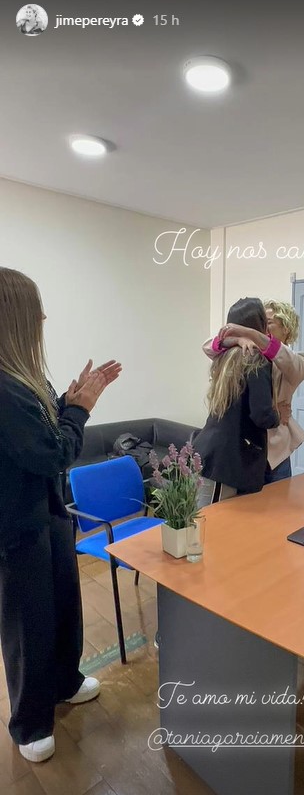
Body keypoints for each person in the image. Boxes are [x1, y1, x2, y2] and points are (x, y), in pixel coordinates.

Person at [0, 267, 121, 763]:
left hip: (49, 514)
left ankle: (65, 681)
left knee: (64, 604)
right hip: (17, 527)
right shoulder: (5, 388)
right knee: (29, 623)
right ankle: (29, 723)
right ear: (16, 318)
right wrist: (80, 410)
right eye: (37, 311)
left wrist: (66, 401)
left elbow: (43, 429)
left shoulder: (25, 379)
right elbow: (51, 453)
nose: (44, 319)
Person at [203, 299, 304, 483]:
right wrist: (238, 338)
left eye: (269, 323)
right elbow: (208, 346)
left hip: (275, 451)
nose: (264, 328)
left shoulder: (298, 360)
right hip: (244, 447)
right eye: (262, 322)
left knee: (278, 499)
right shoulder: (246, 352)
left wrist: (250, 333)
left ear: (286, 328)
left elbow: (285, 359)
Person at [194, 297, 280, 506]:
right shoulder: (256, 359)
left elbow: (211, 346)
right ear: (259, 324)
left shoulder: (224, 357)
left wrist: (234, 339)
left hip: (210, 451)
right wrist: (278, 416)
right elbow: (262, 415)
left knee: (205, 518)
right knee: (213, 520)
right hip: (228, 461)